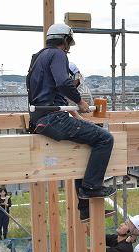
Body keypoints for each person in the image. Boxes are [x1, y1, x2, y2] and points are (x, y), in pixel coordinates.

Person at [27, 23, 116, 221]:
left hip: (40, 118)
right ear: (65, 40)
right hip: (54, 117)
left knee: (82, 151)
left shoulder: (38, 57)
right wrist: (79, 101)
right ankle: (91, 187)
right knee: (105, 139)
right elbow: (62, 82)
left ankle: (85, 207)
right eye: (69, 42)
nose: (68, 47)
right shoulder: (58, 55)